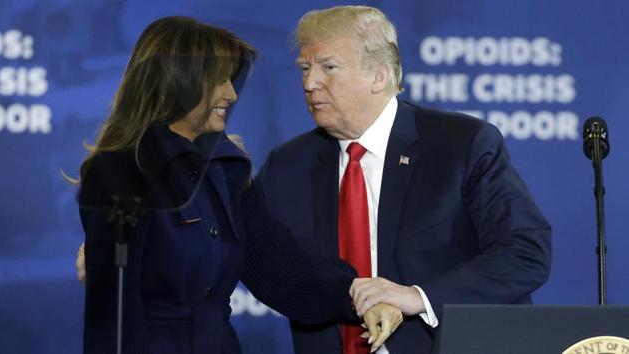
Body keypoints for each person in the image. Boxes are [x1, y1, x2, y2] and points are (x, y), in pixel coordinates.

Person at [77, 16, 402, 354]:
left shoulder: (226, 173)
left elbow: (280, 271)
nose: (231, 94)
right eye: (219, 80)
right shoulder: (121, 174)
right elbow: (112, 320)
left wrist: (360, 298)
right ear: (178, 80)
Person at [253, 5, 552, 354]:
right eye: (305, 68)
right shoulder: (288, 165)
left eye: (328, 67)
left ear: (379, 76)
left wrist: (417, 297)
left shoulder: (461, 144)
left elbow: (525, 252)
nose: (309, 82)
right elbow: (268, 265)